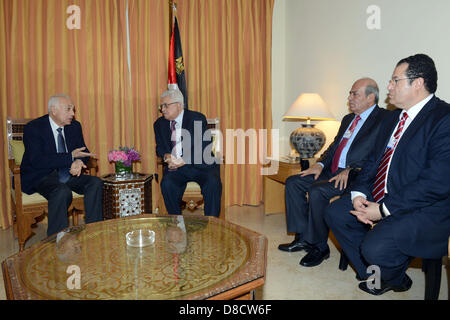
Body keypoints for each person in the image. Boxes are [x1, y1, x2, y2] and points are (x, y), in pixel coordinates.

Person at [325, 54, 450, 295]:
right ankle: (381, 277)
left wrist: (382, 210)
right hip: (384, 191)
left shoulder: (443, 118)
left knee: (375, 249)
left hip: (424, 206)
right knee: (336, 213)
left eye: (395, 80)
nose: (389, 86)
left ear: (418, 83)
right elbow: (373, 161)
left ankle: (388, 271)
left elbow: (437, 182)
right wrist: (359, 193)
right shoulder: (393, 116)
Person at [278, 78, 391, 268]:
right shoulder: (348, 119)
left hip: (356, 175)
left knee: (317, 191)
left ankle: (319, 247)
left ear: (371, 97)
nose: (350, 98)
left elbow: (379, 154)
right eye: (350, 93)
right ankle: (303, 237)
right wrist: (320, 164)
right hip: (332, 170)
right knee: (293, 182)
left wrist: (352, 169)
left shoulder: (384, 120)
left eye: (355, 93)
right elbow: (334, 146)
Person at [21, 94, 104, 237]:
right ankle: (57, 240)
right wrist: (71, 157)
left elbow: (83, 152)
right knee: (61, 191)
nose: (73, 113)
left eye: (73, 109)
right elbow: (37, 160)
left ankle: (94, 232)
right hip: (42, 175)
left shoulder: (74, 126)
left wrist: (78, 162)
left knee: (95, 183)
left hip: (68, 174)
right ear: (54, 110)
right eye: (68, 109)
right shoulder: (34, 128)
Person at [154, 89, 222, 217]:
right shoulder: (159, 124)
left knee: (212, 182)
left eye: (166, 105)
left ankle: (213, 223)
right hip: (176, 170)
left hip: (200, 165)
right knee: (167, 183)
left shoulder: (197, 118)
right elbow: (160, 147)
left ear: (179, 105)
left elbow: (203, 146)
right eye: (161, 106)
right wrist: (166, 156)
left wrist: (183, 160)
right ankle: (177, 222)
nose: (162, 109)